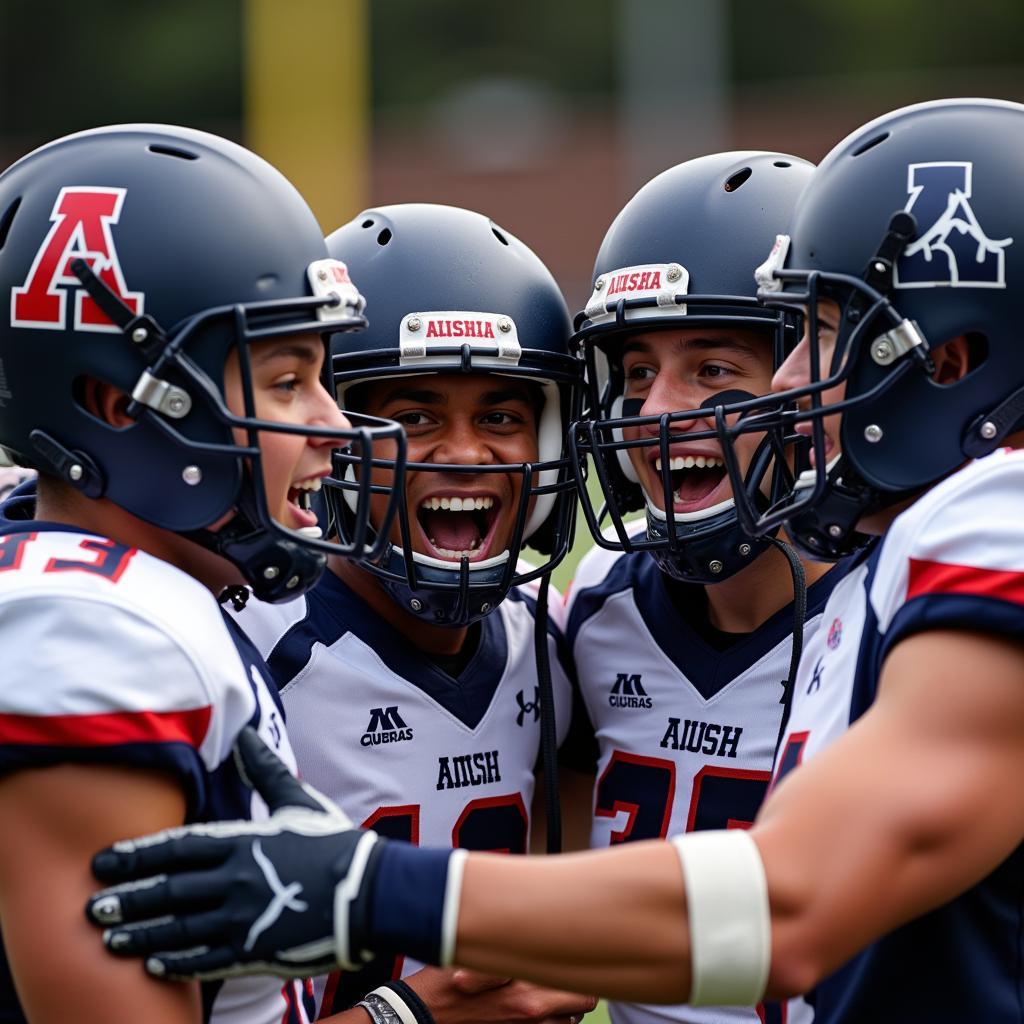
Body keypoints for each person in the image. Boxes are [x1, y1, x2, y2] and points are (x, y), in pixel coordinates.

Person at [87, 98, 1024, 1024]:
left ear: (952, 359)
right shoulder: (591, 617)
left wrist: (364, 890)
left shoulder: (986, 527)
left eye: (821, 338)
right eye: (636, 373)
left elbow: (788, 910)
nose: (790, 384)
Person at [0, 122, 402, 1024]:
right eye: (288, 380)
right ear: (118, 405)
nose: (335, 426)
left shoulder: (130, 585)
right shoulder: (94, 633)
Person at [233, 202, 594, 1024]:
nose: (464, 453)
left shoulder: (549, 643)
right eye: (414, 416)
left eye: (501, 416)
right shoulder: (245, 644)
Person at [560, 152, 849, 1024]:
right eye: (637, 371)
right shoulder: (599, 605)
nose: (655, 412)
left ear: (811, 384)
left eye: (713, 371)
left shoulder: (904, 609)